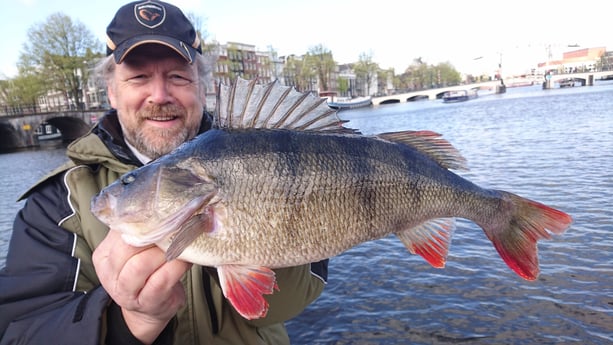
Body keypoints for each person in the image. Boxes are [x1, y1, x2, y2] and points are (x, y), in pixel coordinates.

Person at [0, 1, 328, 344]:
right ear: (112, 91)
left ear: (202, 88)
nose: (159, 95)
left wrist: (262, 222)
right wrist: (125, 323)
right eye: (139, 77)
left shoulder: (287, 157)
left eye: (177, 77)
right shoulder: (55, 203)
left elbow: (285, 307)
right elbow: (18, 330)